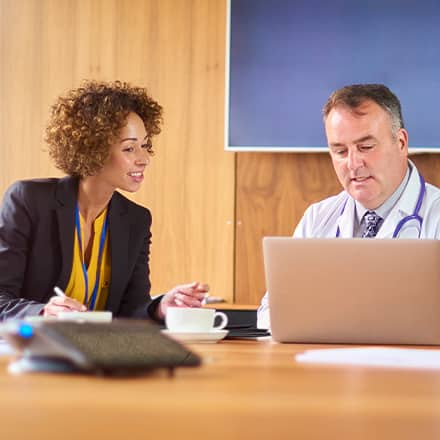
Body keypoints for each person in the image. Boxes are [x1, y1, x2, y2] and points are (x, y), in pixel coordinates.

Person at [0, 80, 208, 321]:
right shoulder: (29, 200)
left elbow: (131, 311)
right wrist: (43, 312)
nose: (144, 159)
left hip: (99, 351)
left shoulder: (136, 220)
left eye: (145, 146)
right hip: (31, 349)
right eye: (129, 149)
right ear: (93, 148)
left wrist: (160, 307)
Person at [257, 83, 440, 329]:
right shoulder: (317, 218)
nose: (353, 163)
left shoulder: (435, 214)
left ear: (401, 142)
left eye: (366, 147)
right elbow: (272, 312)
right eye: (340, 151)